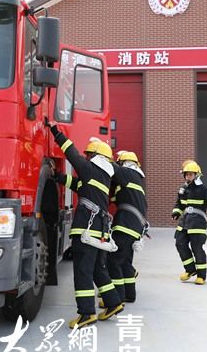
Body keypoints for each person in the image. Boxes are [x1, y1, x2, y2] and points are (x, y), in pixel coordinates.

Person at [46, 120, 124, 328]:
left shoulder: (89, 168)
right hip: (100, 231)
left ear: (95, 157)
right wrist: (57, 176)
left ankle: (87, 313)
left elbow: (71, 153)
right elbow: (78, 185)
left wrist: (55, 131)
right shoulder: (102, 177)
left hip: (86, 230)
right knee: (98, 269)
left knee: (83, 271)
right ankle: (113, 303)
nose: (86, 157)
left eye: (89, 155)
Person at [106, 150, 148, 303]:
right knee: (125, 262)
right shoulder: (135, 179)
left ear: (124, 163)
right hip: (134, 227)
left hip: (125, 224)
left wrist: (101, 157)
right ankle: (130, 294)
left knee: (113, 261)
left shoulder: (128, 173)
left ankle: (117, 296)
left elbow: (112, 167)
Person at [172, 160, 207, 285]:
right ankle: (190, 270)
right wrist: (176, 212)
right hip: (184, 222)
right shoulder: (183, 189)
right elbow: (179, 203)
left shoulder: (204, 189)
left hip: (198, 223)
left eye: (191, 174)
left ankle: (201, 276)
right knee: (180, 243)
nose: (188, 176)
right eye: (186, 174)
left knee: (197, 248)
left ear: (196, 175)